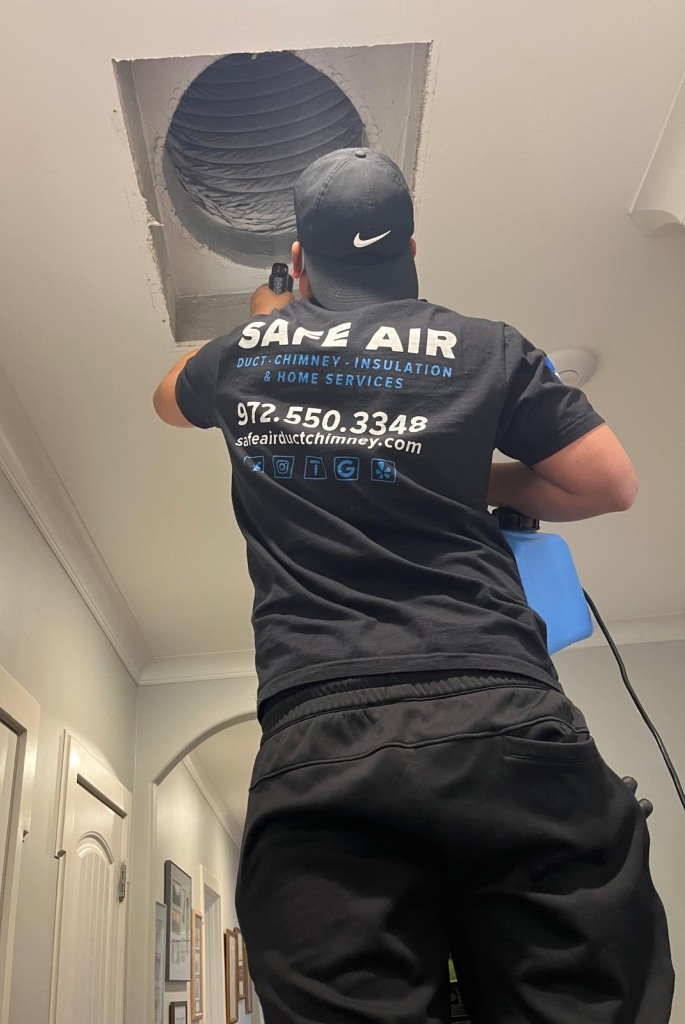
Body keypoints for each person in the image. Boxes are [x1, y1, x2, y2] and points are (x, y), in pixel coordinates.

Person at [153, 148, 673, 1024]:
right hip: (503, 716)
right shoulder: (487, 345)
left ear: (301, 260)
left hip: (325, 733)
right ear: (412, 249)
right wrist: (468, 476)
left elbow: (168, 399)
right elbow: (608, 484)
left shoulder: (247, 351)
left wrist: (270, 323)